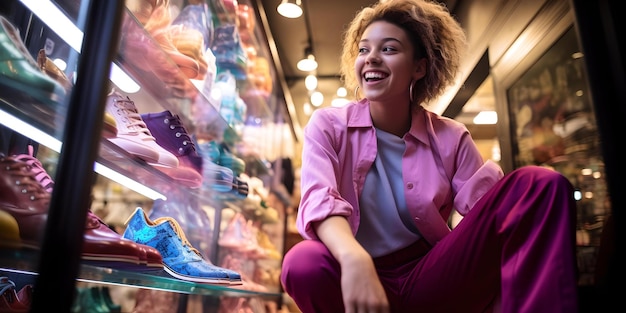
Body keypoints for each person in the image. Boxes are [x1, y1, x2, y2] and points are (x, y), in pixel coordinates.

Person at [279, 0, 579, 312]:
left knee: (539, 184)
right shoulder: (329, 125)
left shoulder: (450, 136)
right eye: (364, 50)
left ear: (419, 67)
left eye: (389, 49)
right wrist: (354, 258)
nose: (371, 59)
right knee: (302, 262)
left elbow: (489, 217)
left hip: (429, 276)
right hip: (354, 277)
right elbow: (319, 198)